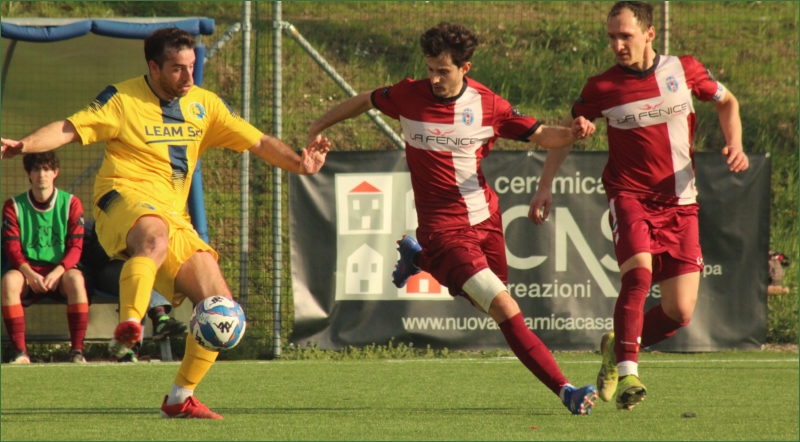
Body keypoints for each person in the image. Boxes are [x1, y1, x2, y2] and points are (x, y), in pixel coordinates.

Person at [2, 27, 329, 418]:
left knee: (220, 310)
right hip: (120, 199)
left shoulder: (205, 105)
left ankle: (179, 398)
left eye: (191, 66)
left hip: (174, 216)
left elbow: (257, 141)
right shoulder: (121, 99)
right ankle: (130, 323)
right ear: (154, 67)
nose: (188, 76)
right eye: (177, 68)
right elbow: (68, 129)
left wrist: (300, 164)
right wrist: (23, 145)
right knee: (153, 237)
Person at [308, 22, 598, 415]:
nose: (434, 78)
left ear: (465, 67)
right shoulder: (408, 95)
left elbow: (546, 135)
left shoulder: (488, 105)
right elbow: (365, 100)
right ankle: (566, 390)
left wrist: (575, 133)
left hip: (487, 218)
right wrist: (317, 126)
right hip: (443, 231)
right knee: (506, 310)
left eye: (443, 71)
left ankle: (419, 258)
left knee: (489, 305)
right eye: (429, 69)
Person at [528, 2, 749, 411]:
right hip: (629, 197)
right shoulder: (601, 87)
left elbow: (727, 102)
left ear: (649, 34)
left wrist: (735, 143)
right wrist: (545, 185)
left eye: (625, 36)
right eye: (611, 37)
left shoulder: (684, 70)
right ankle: (629, 373)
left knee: (679, 311)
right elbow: (567, 133)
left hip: (681, 203)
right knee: (638, 276)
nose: (617, 45)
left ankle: (617, 347)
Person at [1, 152, 89, 364]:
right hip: (27, 271)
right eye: (36, 169)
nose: (42, 174)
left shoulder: (72, 203)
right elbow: (12, 249)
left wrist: (58, 272)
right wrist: (30, 274)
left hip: (61, 271)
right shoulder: (13, 206)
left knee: (77, 280)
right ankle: (21, 353)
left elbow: (76, 248)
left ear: (55, 172)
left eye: (47, 169)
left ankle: (77, 352)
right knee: (9, 282)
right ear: (29, 174)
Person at [80, 218, 187, 362]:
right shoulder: (95, 225)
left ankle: (129, 349)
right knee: (134, 276)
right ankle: (159, 317)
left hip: (133, 272)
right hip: (106, 273)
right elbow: (90, 258)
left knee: (141, 277)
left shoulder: (141, 224)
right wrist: (117, 252)